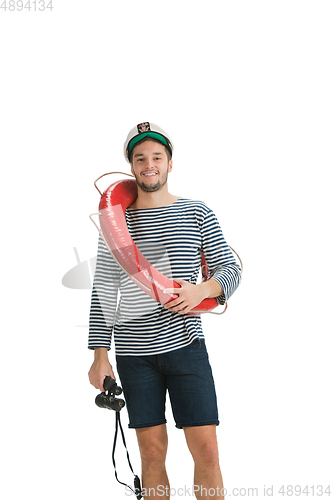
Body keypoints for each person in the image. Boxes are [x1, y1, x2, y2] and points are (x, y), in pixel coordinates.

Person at [88, 122, 242, 500]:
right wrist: (99, 355)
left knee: (206, 450)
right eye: (140, 158)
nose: (149, 164)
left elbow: (230, 268)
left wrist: (203, 290)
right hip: (134, 354)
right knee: (151, 453)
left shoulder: (196, 211)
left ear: (170, 163)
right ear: (132, 166)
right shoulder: (116, 224)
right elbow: (104, 290)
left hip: (186, 346)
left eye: (157, 156)